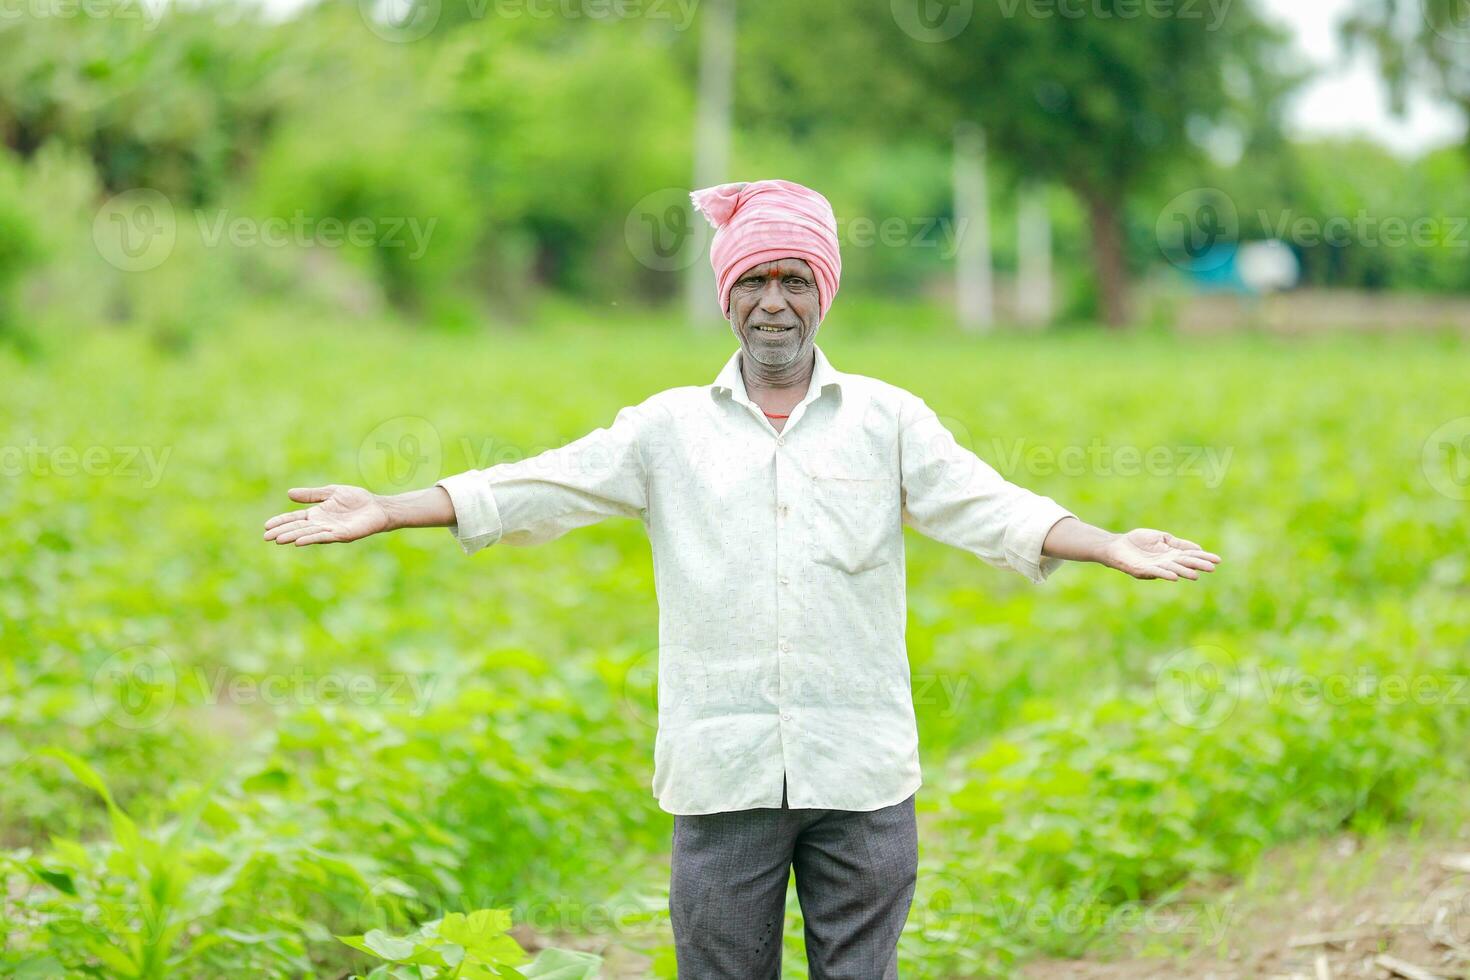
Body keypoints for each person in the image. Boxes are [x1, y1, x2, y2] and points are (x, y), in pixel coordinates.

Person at [263, 178, 1222, 979]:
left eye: (794, 279)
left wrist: (1104, 543)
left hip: (862, 771)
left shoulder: (886, 419)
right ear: (727, 296)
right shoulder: (667, 430)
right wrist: (390, 508)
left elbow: (989, 505)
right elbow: (538, 484)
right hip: (722, 777)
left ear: (824, 292)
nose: (774, 301)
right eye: (755, 279)